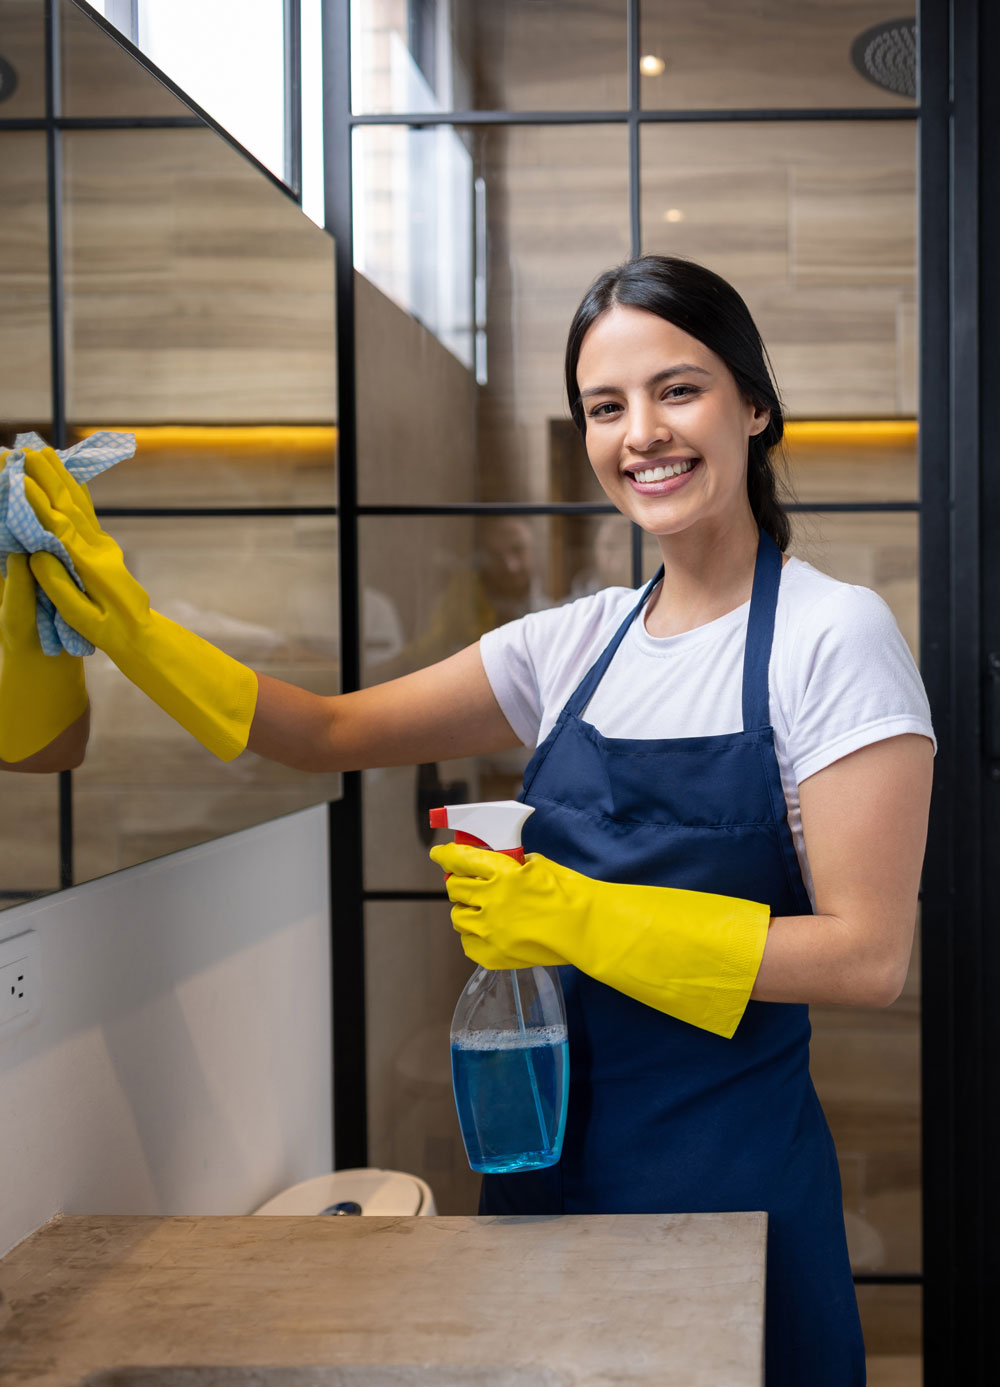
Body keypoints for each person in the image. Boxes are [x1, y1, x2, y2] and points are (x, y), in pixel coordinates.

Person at [16, 256, 934, 1385]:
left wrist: (575, 915)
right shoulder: (572, 644)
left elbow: (866, 955)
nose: (641, 432)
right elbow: (323, 734)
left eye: (678, 389)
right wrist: (128, 620)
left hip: (729, 1189)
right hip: (539, 1181)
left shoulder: (832, 636)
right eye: (606, 406)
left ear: (754, 404)